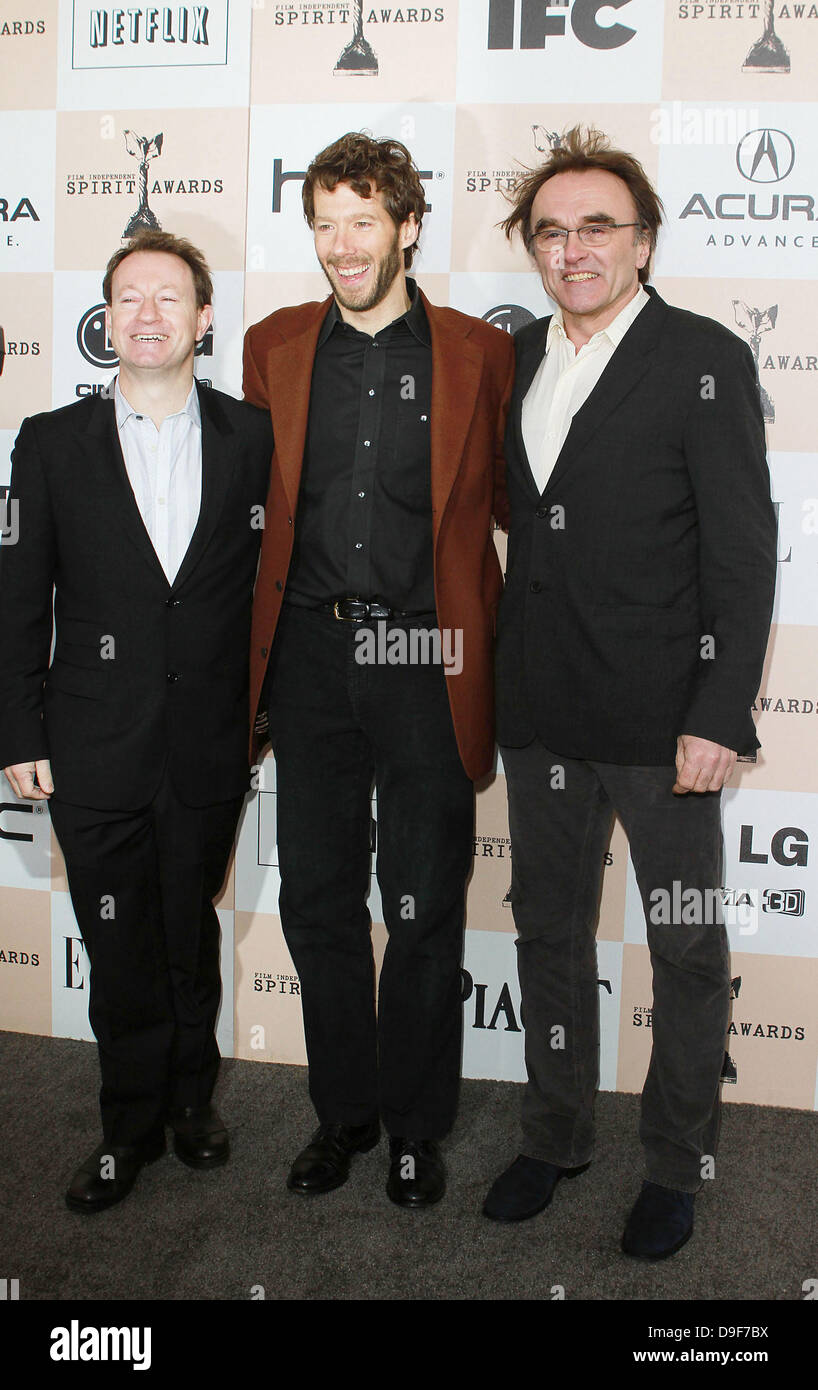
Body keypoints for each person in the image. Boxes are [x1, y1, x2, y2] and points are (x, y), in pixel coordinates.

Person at [482, 127, 776, 1258]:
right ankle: (553, 1135)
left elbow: (742, 555)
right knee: (546, 934)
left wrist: (717, 710)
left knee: (685, 945)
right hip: (539, 706)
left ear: (641, 241)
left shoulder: (701, 356)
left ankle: (676, 1161)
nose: (572, 248)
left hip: (664, 719)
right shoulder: (514, 363)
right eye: (549, 231)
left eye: (596, 226)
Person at [243, 132, 513, 1207]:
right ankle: (343, 1115)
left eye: (362, 220)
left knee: (421, 902)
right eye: (323, 223)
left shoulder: (476, 353)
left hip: (421, 651)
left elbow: (514, 509)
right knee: (315, 898)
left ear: (407, 226)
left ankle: (413, 1126)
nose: (340, 245)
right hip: (309, 649)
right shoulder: (269, 346)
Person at [0, 230, 273, 1212]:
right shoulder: (48, 441)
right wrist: (19, 732)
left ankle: (192, 1103)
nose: (147, 313)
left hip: (206, 744)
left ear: (205, 318)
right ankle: (126, 1125)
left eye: (169, 296)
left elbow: (272, 591)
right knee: (115, 939)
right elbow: (19, 596)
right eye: (128, 297)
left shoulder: (253, 438)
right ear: (105, 321)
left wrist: (264, 716)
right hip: (89, 744)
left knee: (188, 930)